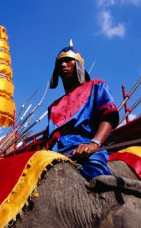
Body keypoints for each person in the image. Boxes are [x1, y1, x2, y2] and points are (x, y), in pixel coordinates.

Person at [44, 42, 119, 180]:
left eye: (67, 60)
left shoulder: (96, 86)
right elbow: (47, 140)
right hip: (53, 153)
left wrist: (94, 144)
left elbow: (109, 117)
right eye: (60, 62)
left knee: (97, 175)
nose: (62, 65)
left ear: (78, 64)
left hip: (84, 148)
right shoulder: (53, 106)